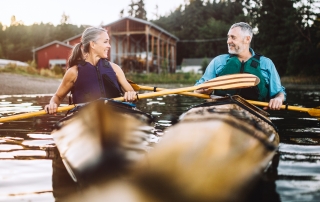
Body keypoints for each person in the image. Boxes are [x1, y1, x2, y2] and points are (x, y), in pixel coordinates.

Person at [194, 22, 286, 110]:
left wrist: (278, 99)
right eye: (228, 37)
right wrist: (204, 90)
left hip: (254, 112)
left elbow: (279, 92)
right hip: (220, 110)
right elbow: (196, 90)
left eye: (233, 37)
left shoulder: (266, 63)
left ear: (247, 39)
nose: (228, 41)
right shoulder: (218, 61)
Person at [45, 27, 137, 114]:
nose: (109, 46)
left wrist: (131, 95)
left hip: (114, 115)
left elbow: (132, 93)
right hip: (85, 118)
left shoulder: (115, 69)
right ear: (93, 44)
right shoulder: (74, 72)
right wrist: (53, 104)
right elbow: (58, 97)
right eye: (105, 42)